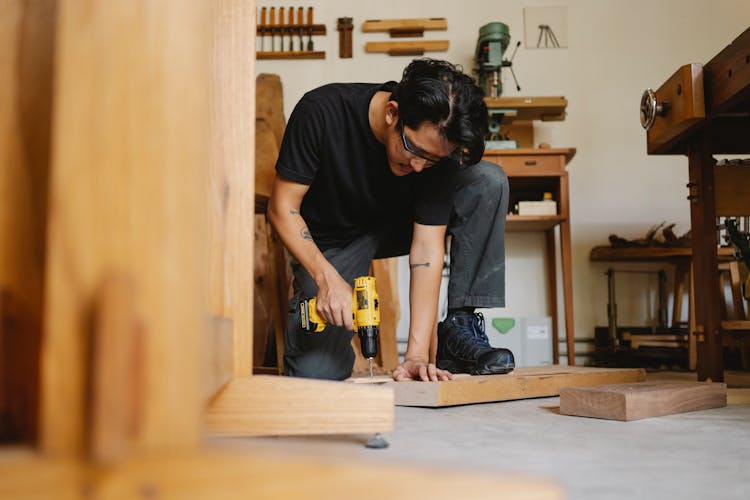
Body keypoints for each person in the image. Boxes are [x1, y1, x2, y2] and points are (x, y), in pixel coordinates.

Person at [268, 58, 514, 382]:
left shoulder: (435, 151)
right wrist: (326, 279)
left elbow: (427, 247)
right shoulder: (322, 111)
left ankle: (458, 327)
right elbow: (281, 207)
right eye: (413, 149)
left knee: (487, 180)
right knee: (316, 375)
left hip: (400, 226)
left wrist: (415, 355)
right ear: (392, 113)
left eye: (431, 160)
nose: (417, 167)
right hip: (333, 241)